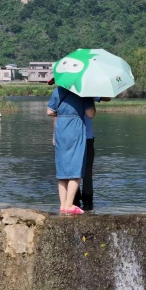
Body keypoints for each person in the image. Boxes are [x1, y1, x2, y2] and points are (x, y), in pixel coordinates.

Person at [47, 86, 95, 214]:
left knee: (62, 169)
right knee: (76, 168)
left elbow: (49, 111)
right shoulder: (83, 91)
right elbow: (90, 114)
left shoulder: (58, 90)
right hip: (75, 128)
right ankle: (69, 204)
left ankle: (63, 205)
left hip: (61, 129)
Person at [73, 97, 110, 211]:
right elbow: (107, 98)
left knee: (73, 171)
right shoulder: (88, 94)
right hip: (86, 137)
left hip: (71, 137)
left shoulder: (65, 93)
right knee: (87, 172)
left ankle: (74, 201)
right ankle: (88, 203)